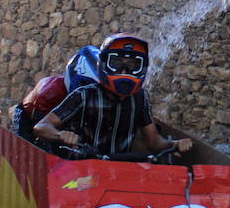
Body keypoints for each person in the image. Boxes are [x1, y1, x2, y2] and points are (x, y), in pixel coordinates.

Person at [33, 33, 193, 160]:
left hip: (121, 171)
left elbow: (154, 142)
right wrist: (60, 135)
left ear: (142, 69)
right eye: (116, 63)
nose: (124, 72)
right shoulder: (84, 95)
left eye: (132, 66)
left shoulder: (140, 98)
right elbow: (41, 127)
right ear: (102, 64)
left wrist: (174, 144)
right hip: (81, 170)